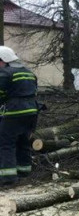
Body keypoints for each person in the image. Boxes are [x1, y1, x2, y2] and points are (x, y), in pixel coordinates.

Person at [0, 46, 39, 186]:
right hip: (32, 112)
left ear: (3, 60)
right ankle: (24, 171)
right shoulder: (28, 72)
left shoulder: (5, 73)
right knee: (24, 141)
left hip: (14, 112)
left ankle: (8, 177)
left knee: (6, 143)